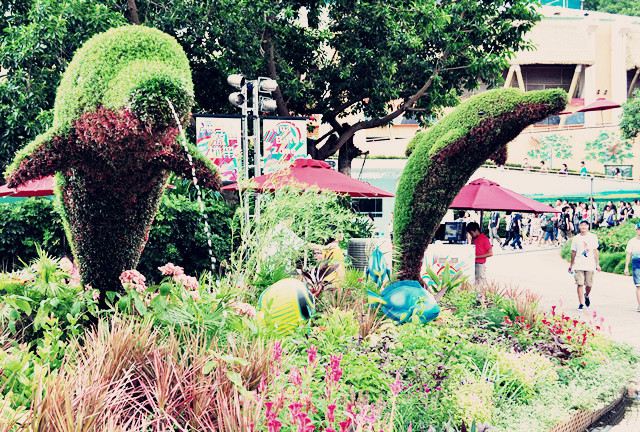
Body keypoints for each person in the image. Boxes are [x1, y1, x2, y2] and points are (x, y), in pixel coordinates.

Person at [569, 220, 600, 311]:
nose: (583, 227)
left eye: (585, 225)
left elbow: (595, 251)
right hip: (578, 264)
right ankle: (581, 303)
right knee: (580, 283)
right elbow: (573, 252)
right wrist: (571, 264)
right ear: (579, 227)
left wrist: (597, 264)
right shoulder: (576, 238)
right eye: (581, 225)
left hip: (590, 264)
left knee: (589, 284)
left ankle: (586, 295)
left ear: (588, 227)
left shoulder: (593, 237)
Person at [624, 222, 640, 312]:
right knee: (638, 285)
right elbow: (628, 254)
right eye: (639, 229)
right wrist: (626, 267)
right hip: (636, 262)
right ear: (636, 230)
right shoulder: (632, 241)